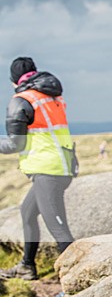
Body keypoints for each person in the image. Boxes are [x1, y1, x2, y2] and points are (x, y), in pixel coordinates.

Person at [0, 57, 76, 281]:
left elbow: (16, 143)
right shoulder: (52, 96)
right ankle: (27, 266)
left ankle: (74, 282)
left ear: (14, 80)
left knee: (60, 232)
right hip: (62, 164)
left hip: (47, 171)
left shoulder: (21, 100)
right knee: (27, 213)